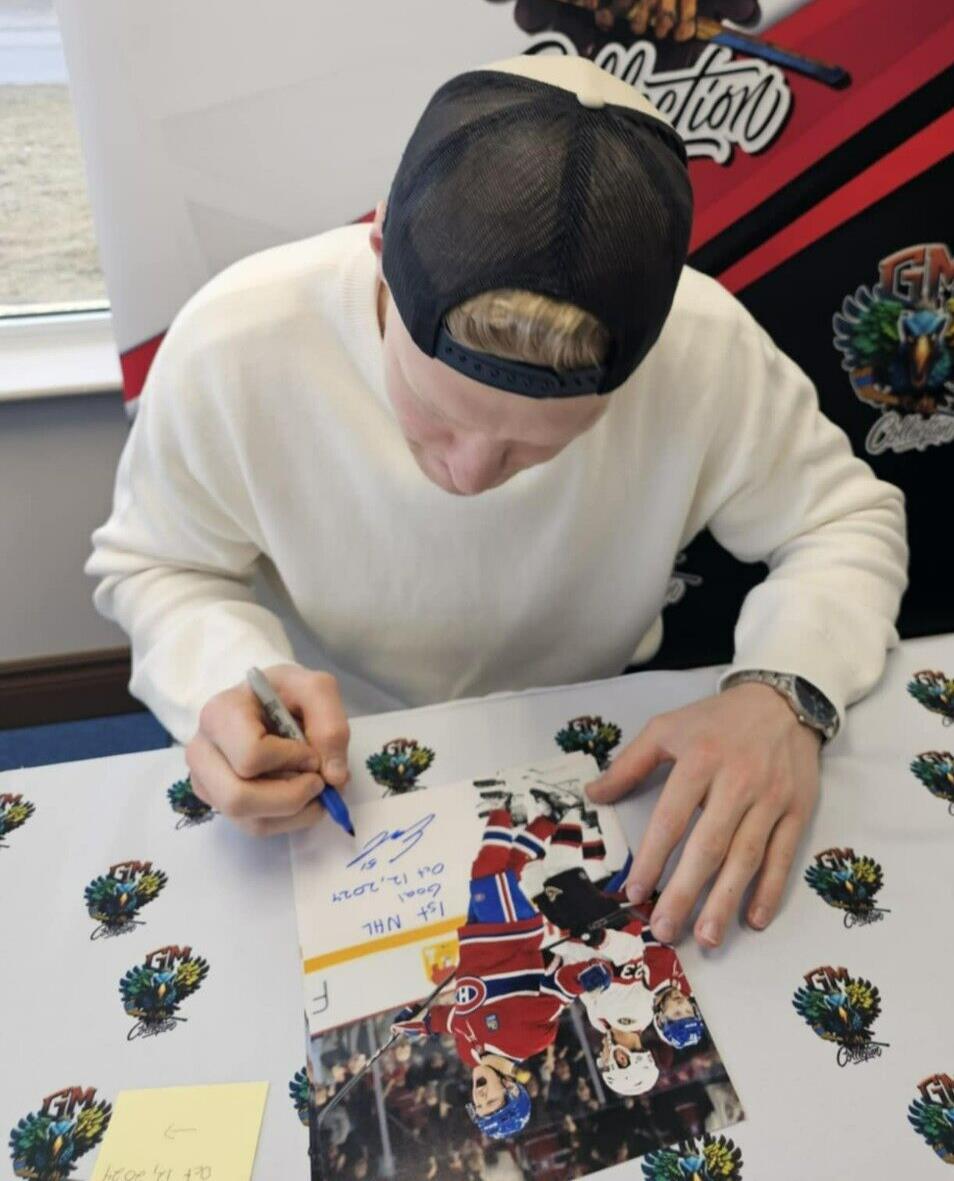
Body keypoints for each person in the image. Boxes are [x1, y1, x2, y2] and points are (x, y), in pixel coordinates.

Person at [86, 52, 908, 951]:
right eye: (434, 412)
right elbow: (158, 564)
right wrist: (224, 676)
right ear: (378, 248)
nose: (470, 475)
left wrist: (785, 689)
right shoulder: (237, 342)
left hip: (594, 753)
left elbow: (845, 522)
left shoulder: (703, 350)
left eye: (537, 445)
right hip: (336, 765)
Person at [389, 806, 615, 1138]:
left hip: (477, 937)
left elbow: (450, 1020)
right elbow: (560, 988)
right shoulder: (530, 1040)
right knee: (485, 872)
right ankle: (503, 808)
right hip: (512, 935)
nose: (480, 1097)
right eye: (492, 1102)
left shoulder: (470, 1054)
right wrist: (590, 975)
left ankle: (546, 818)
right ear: (511, 1088)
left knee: (508, 869)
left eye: (479, 1106)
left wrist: (420, 1023)